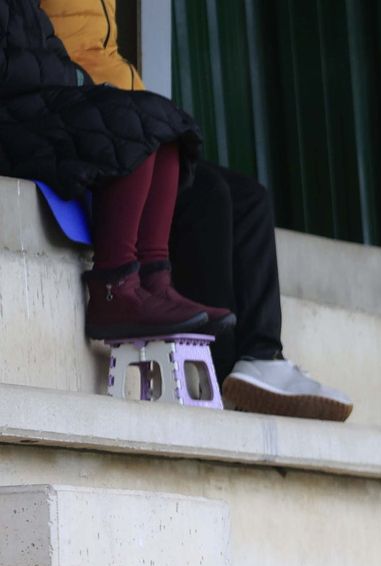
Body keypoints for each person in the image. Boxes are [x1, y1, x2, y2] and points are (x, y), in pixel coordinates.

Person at [41, 0, 353, 421]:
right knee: (209, 197)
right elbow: (46, 60)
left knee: (250, 199)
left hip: (130, 127)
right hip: (89, 128)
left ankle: (261, 357)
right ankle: (220, 371)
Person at [0, 0, 219, 340]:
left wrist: (70, 77)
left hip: (40, 101)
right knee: (129, 124)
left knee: (168, 126)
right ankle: (113, 289)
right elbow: (20, 69)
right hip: (15, 116)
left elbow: (48, 51)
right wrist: (63, 77)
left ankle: (154, 281)